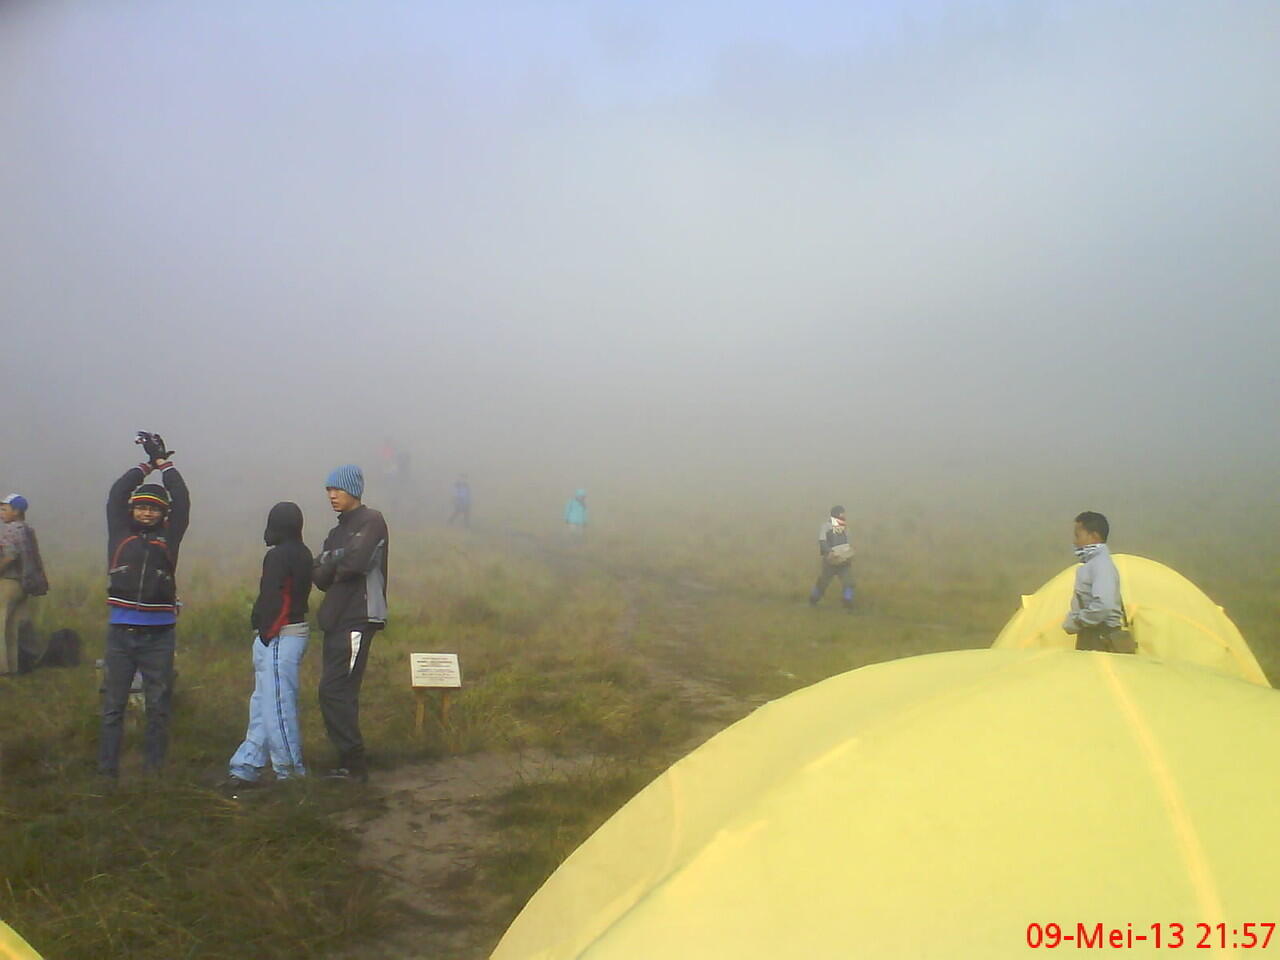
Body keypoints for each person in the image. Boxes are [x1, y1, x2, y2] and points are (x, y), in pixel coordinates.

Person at [99, 432, 190, 778]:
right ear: (132, 509)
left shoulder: (170, 536)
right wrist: (146, 466)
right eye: (142, 506)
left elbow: (182, 498)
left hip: (159, 634)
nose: (147, 511)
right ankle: (107, 774)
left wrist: (166, 465)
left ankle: (153, 773)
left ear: (163, 513)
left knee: (158, 706)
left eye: (154, 507)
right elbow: (116, 493)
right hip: (121, 632)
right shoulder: (119, 531)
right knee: (113, 706)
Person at [224, 502, 313, 790]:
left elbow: (277, 598)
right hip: (287, 633)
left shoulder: (279, 556)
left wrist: (266, 633)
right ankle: (246, 765)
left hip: (280, 635)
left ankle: (291, 774)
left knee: (276, 706)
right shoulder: (302, 552)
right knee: (264, 704)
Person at [313, 465, 388, 782]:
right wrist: (335, 560)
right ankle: (349, 762)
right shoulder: (337, 531)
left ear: (354, 491)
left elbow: (355, 564)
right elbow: (317, 577)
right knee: (338, 690)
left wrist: (332, 561)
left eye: (337, 490)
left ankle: (353, 764)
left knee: (335, 690)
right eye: (328, 490)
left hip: (358, 616)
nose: (331, 495)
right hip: (335, 617)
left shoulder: (372, 521)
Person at [1063, 510, 1128, 652]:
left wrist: (1078, 620)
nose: (1075, 541)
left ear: (1094, 536)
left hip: (1099, 637)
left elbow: (1104, 605)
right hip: (1093, 634)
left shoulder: (1101, 565)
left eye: (1078, 535)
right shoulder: (1094, 564)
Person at [0, 494, 47, 674]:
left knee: (2, 625)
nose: (1, 513)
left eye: (4, 509)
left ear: (16, 511)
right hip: (23, 584)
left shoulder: (11, 530)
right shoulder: (27, 529)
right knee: (13, 626)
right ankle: (14, 667)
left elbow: (10, 556)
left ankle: (3, 669)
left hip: (8, 582)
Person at [810, 505, 855, 611]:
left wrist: (849, 553)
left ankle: (847, 602)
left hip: (843, 561)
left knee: (848, 582)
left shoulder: (846, 528)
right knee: (823, 582)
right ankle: (813, 599)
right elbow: (822, 541)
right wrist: (829, 552)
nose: (844, 515)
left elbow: (847, 543)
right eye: (841, 513)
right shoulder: (826, 526)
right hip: (830, 561)